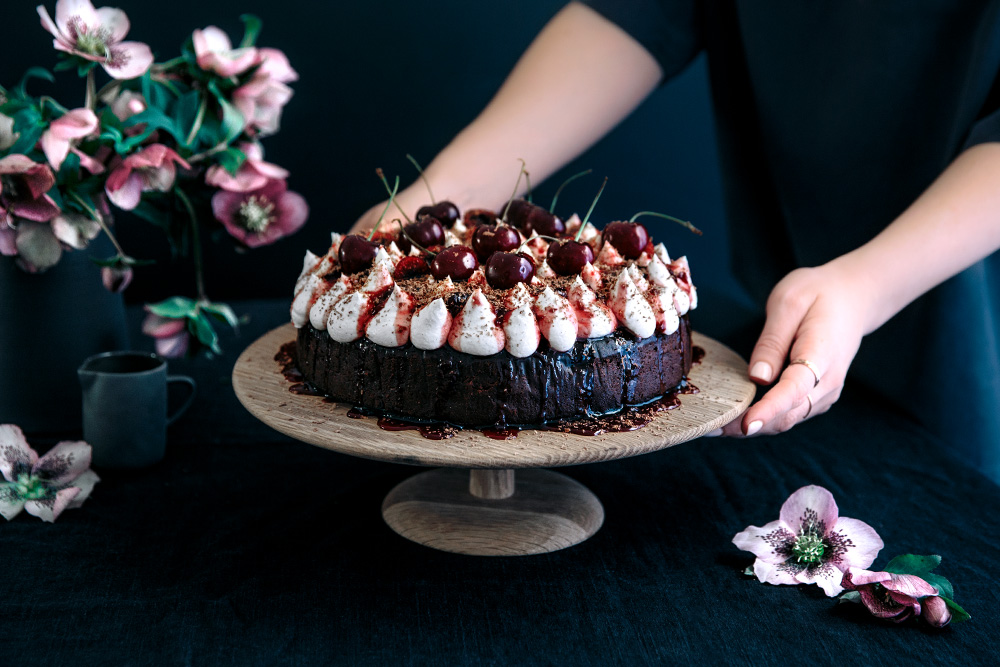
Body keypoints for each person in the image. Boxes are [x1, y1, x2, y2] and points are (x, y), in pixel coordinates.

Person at [351, 2, 1000, 481]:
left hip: (961, 321)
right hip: (782, 313)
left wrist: (867, 284)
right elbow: (636, 16)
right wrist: (434, 198)